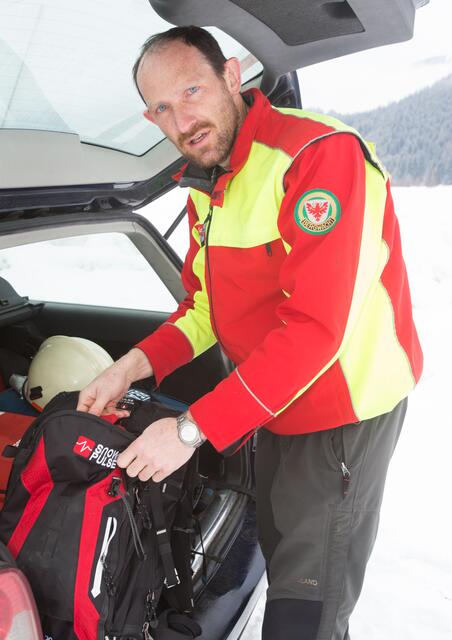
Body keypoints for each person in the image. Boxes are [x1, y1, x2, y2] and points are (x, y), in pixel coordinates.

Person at [77, 26, 423, 640]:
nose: (181, 119)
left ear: (232, 76)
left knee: (305, 604)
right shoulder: (210, 179)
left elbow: (317, 330)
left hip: (341, 413)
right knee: (277, 543)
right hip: (272, 405)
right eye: (161, 108)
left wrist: (190, 429)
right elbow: (204, 308)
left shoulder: (317, 157)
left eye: (191, 90)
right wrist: (129, 366)